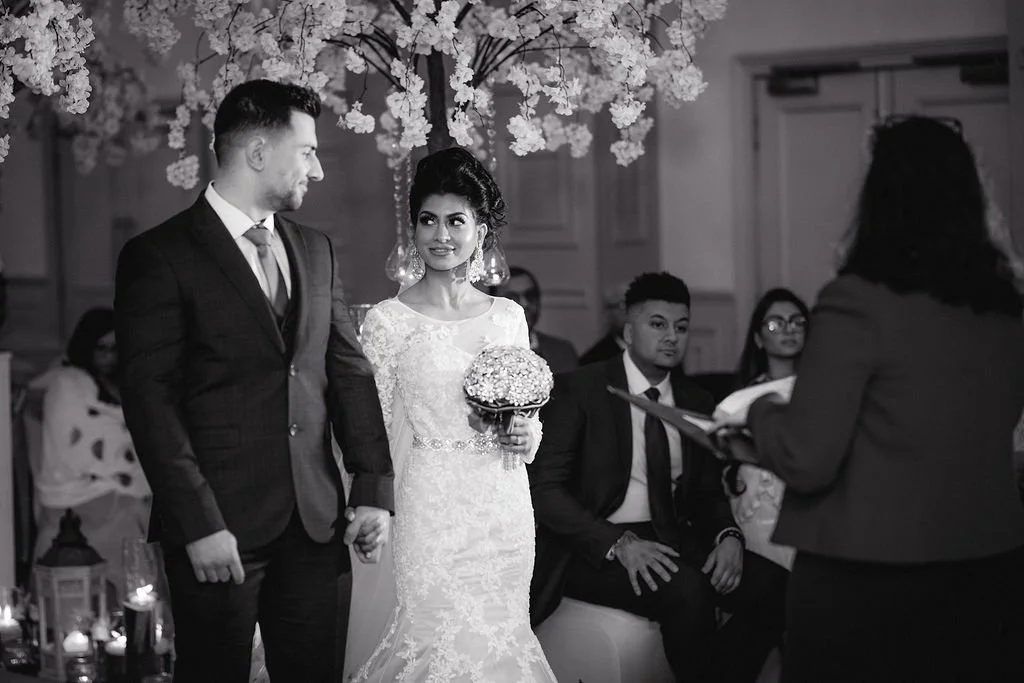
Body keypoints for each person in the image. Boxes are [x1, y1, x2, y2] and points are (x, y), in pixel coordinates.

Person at [714, 115, 1024, 683]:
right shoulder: (1006, 308)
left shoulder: (857, 301)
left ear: (879, 196)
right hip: (986, 567)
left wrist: (758, 410)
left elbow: (807, 458)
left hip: (868, 573)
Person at [114, 79, 394, 683]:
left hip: (316, 523)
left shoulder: (316, 250)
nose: (317, 170)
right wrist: (199, 524)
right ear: (260, 152)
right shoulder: (159, 256)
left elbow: (348, 372)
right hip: (218, 530)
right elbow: (150, 403)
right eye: (308, 151)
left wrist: (372, 486)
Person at [346, 147, 557, 682]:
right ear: (413, 227)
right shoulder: (389, 323)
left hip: (502, 509)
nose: (441, 234)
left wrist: (527, 432)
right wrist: (375, 510)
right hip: (428, 511)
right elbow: (373, 431)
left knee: (499, 638)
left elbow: (525, 417)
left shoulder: (509, 316)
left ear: (480, 230)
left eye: (456, 221)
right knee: (430, 639)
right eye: (429, 220)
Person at [530, 272, 787, 683]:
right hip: (593, 544)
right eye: (658, 324)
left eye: (681, 327)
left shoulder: (695, 400)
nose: (672, 337)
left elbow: (705, 493)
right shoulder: (580, 389)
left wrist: (728, 536)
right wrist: (616, 543)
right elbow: (545, 492)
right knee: (689, 592)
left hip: (670, 532)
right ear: (628, 331)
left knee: (776, 585)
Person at [32, 307, 151, 602]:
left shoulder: (129, 384)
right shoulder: (66, 383)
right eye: (101, 347)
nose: (109, 356)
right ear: (87, 345)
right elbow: (75, 441)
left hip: (128, 497)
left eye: (115, 348)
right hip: (80, 497)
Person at [724, 287, 810, 571]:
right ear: (759, 338)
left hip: (805, 511)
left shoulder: (822, 393)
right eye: (776, 324)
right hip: (751, 510)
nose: (789, 330)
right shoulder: (742, 398)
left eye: (798, 322)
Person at [493, 265, 579, 374]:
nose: (525, 304)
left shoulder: (562, 352)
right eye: (513, 298)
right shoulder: (484, 352)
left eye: (530, 295)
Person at [579, 281, 628, 365]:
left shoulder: (654, 355)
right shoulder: (594, 360)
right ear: (607, 312)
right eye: (622, 306)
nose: (629, 312)